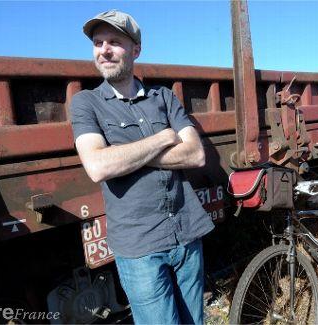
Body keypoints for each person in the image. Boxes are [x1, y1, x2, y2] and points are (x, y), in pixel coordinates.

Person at [71, 9, 214, 325]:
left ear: (135, 49)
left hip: (187, 235)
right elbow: (97, 165)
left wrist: (124, 155)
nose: (104, 50)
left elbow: (194, 155)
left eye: (114, 42)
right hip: (140, 248)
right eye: (97, 43)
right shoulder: (86, 103)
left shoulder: (163, 97)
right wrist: (163, 137)